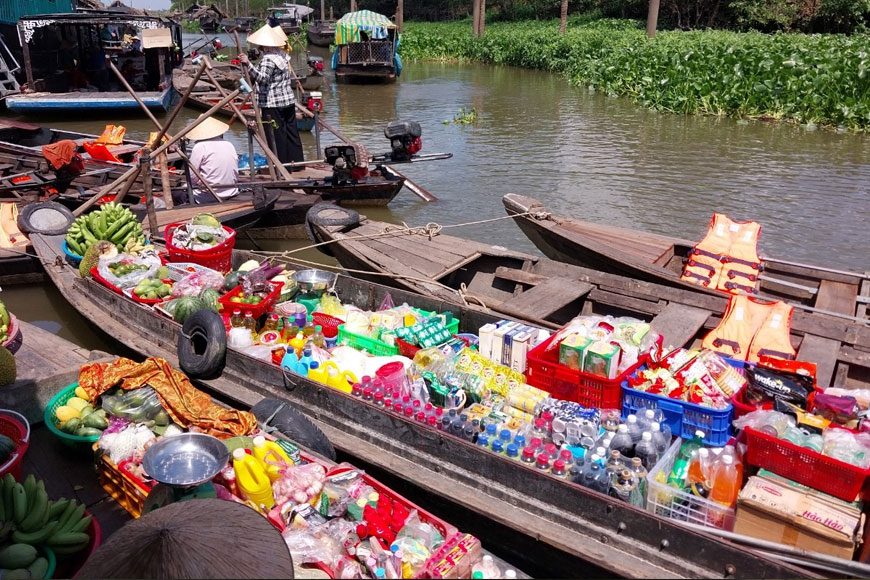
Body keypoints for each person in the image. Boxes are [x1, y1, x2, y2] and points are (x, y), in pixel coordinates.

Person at [238, 24, 304, 168]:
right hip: (287, 101)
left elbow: (262, 79)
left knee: (277, 136)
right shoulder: (281, 54)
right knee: (292, 133)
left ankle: (282, 167)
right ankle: (298, 164)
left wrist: (248, 64)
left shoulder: (269, 58)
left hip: (273, 103)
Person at [186, 117, 240, 202]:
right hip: (231, 191)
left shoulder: (200, 146)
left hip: (208, 195)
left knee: (177, 194)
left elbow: (192, 176)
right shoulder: (229, 144)